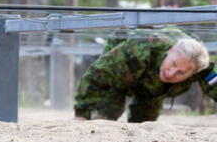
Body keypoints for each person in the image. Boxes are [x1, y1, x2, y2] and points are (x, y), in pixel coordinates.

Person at [74, 27, 217, 122]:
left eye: (181, 72)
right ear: (171, 51)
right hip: (123, 68)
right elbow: (97, 75)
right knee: (105, 115)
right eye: (173, 64)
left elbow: (215, 86)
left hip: (152, 89)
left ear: (193, 73)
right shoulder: (140, 50)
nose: (171, 73)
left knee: (143, 123)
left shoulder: (202, 66)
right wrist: (81, 114)